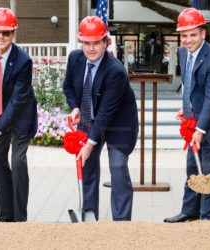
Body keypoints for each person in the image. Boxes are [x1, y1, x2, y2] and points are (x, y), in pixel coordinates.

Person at [164, 8, 210, 223]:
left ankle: (207, 218)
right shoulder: (183, 52)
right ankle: (190, 210)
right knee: (193, 169)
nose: (188, 40)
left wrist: (200, 129)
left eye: (193, 34)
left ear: (203, 34)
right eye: (184, 35)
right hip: (198, 120)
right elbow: (192, 86)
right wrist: (187, 109)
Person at [63, 16, 138, 221]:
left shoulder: (115, 71)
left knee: (117, 167)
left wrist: (89, 144)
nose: (91, 48)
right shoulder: (75, 59)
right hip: (89, 119)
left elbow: (106, 113)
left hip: (119, 124)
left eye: (96, 43)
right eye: (86, 43)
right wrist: (75, 107)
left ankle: (121, 223)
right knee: (87, 166)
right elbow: (68, 86)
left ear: (106, 42)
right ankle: (89, 217)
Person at [0, 8, 38, 222]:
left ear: (13, 34)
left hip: (21, 114)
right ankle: (5, 216)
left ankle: (20, 218)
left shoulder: (23, 61)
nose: (1, 37)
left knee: (18, 160)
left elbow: (16, 103)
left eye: (6, 32)